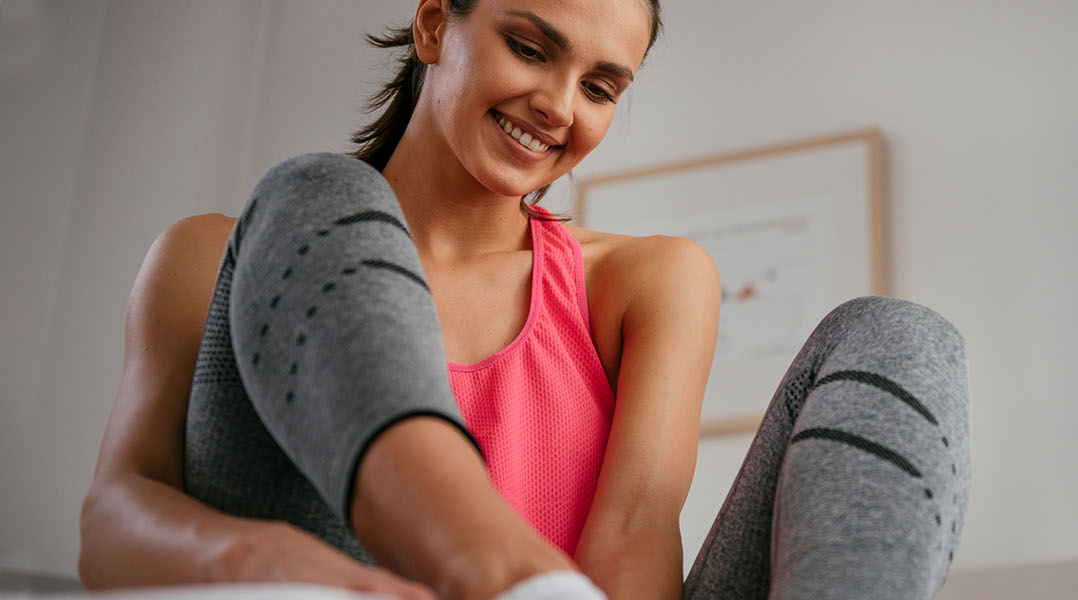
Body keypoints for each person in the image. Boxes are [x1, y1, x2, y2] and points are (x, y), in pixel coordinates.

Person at [77, 0, 971, 598]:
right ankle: (505, 576)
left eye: (600, 86)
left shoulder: (645, 281)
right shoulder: (211, 255)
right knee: (314, 190)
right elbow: (113, 526)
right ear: (435, 23)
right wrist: (265, 563)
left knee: (896, 334)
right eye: (530, 47)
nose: (556, 105)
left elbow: (631, 537)